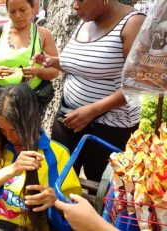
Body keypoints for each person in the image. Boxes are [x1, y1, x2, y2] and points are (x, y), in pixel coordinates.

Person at [40, 0, 146, 182]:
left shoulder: (133, 23)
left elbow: (138, 84)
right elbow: (86, 64)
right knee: (60, 179)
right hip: (69, 116)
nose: (74, 5)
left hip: (110, 126)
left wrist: (93, 110)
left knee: (99, 187)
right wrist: (54, 61)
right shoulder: (88, 18)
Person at [0, 83, 81, 230]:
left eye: (14, 129)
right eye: (2, 129)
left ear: (30, 122)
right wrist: (12, 169)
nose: (9, 136)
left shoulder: (56, 154)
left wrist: (56, 201)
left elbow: (75, 213)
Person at [0, 0, 59, 105]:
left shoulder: (43, 34)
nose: (18, 15)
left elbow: (55, 70)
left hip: (30, 103)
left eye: (23, 10)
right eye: (12, 11)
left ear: (33, 8)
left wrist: (37, 72)